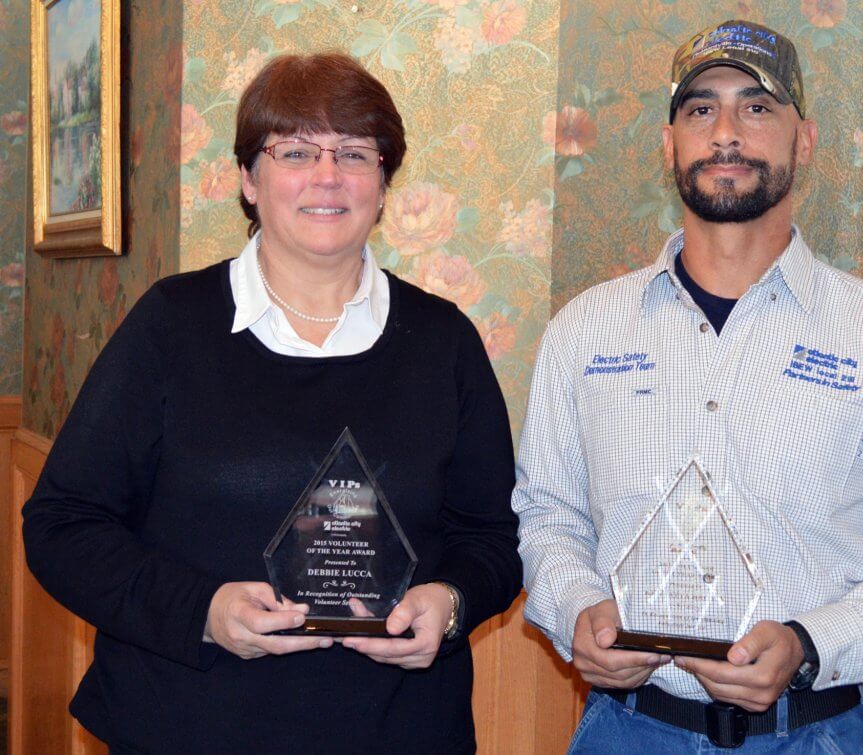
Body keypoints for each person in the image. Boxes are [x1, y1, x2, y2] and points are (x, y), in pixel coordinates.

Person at [513, 20, 863, 752]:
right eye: (701, 109)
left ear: (803, 140)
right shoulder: (584, 331)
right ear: (668, 142)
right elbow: (547, 514)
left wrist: (810, 642)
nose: (727, 132)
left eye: (757, 106)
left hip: (813, 731)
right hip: (627, 729)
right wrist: (579, 607)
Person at [22, 52, 521, 754]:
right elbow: (61, 524)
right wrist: (203, 610)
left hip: (399, 730)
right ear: (249, 181)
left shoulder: (443, 342)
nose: (327, 176)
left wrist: (452, 603)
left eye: (354, 152)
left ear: (383, 183)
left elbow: (493, 539)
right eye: (294, 151)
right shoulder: (171, 326)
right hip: (186, 725)